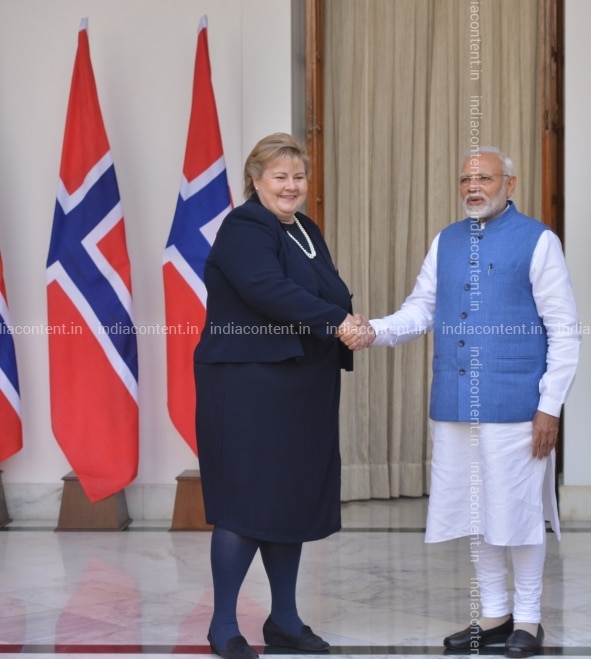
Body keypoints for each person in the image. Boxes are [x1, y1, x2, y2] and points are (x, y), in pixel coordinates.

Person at [342, 146, 580, 658]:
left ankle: (529, 619)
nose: (474, 188)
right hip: (454, 403)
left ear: (509, 185)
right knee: (477, 512)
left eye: (485, 179)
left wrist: (550, 406)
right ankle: (494, 615)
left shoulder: (539, 240)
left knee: (518, 513)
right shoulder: (445, 240)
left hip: (517, 407)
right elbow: (420, 310)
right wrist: (374, 331)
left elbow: (565, 330)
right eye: (466, 180)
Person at [194, 133, 361, 659]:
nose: (291, 186)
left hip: (301, 384)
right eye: (280, 176)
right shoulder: (246, 225)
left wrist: (348, 317)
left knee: (289, 498)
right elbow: (267, 288)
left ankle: (284, 619)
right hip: (250, 384)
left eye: (299, 176)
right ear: (256, 180)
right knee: (246, 502)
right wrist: (338, 320)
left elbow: (328, 291)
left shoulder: (306, 229)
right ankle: (223, 624)